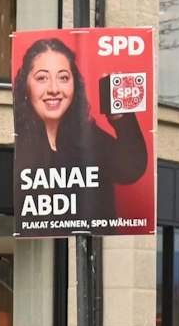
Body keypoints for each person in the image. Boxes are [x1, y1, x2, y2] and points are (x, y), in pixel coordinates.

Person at [11, 36, 148, 224]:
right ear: (25, 85)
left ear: (75, 84)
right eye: (42, 78)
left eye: (63, 78)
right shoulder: (17, 140)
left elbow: (130, 170)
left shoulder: (88, 137)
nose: (54, 89)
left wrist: (120, 116)